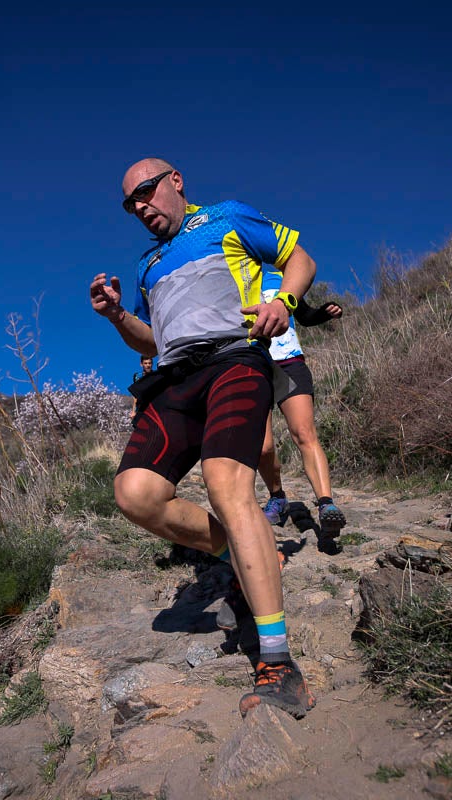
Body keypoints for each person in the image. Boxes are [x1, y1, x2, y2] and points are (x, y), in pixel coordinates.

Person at [89, 157, 316, 719]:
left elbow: (299, 259)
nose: (139, 206)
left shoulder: (226, 218)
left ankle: (279, 664)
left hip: (236, 361)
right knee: (135, 494)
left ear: (175, 182)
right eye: (129, 203)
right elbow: (149, 339)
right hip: (174, 379)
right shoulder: (147, 266)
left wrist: (281, 303)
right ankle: (242, 553)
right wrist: (119, 316)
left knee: (225, 485)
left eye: (145, 192)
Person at [257, 279, 348, 534]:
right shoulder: (231, 274)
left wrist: (323, 312)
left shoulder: (281, 277)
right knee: (262, 448)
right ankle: (277, 497)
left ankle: (326, 504)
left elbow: (304, 315)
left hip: (289, 362)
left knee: (304, 434)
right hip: (253, 363)